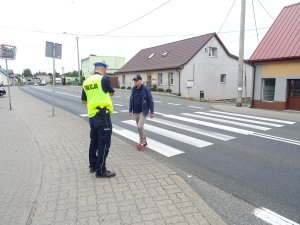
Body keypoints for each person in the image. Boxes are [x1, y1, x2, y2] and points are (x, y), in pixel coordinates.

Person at [81, 62, 116, 178]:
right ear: (103, 69)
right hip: (103, 116)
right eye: (105, 70)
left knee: (94, 142)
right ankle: (100, 170)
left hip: (92, 116)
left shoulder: (86, 82)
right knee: (104, 143)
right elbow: (112, 92)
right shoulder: (103, 79)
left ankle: (93, 165)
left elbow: (84, 101)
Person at [129, 75, 154, 150]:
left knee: (140, 126)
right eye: (134, 81)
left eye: (136, 80)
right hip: (136, 110)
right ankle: (145, 141)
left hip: (144, 110)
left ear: (140, 81)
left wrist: (152, 112)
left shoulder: (145, 89)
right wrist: (130, 110)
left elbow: (150, 100)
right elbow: (131, 100)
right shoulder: (133, 89)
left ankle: (141, 142)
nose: (135, 82)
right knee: (140, 128)